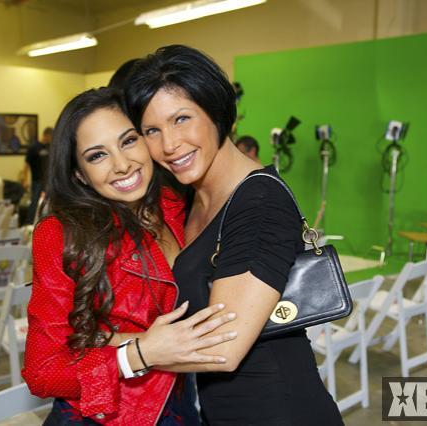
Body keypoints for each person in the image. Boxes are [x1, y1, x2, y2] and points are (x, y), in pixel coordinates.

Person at [125, 45, 343, 425]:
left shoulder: (259, 202)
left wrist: (124, 353)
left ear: (216, 111)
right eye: (152, 131)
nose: (169, 145)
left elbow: (224, 348)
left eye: (181, 119)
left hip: (280, 412)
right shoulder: (193, 198)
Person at [22, 87, 238, 425]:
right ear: (79, 173)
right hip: (106, 416)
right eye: (97, 155)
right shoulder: (62, 233)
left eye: (128, 141)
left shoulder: (175, 203)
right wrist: (141, 352)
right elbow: (43, 371)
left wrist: (114, 338)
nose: (122, 165)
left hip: (182, 403)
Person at [21, 126, 52, 224]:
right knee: (34, 203)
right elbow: (26, 165)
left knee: (47, 203)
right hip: (37, 181)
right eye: (51, 137)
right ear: (46, 135)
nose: (51, 139)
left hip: (47, 181)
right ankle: (29, 223)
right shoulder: (34, 147)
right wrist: (25, 179)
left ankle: (43, 223)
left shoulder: (49, 147)